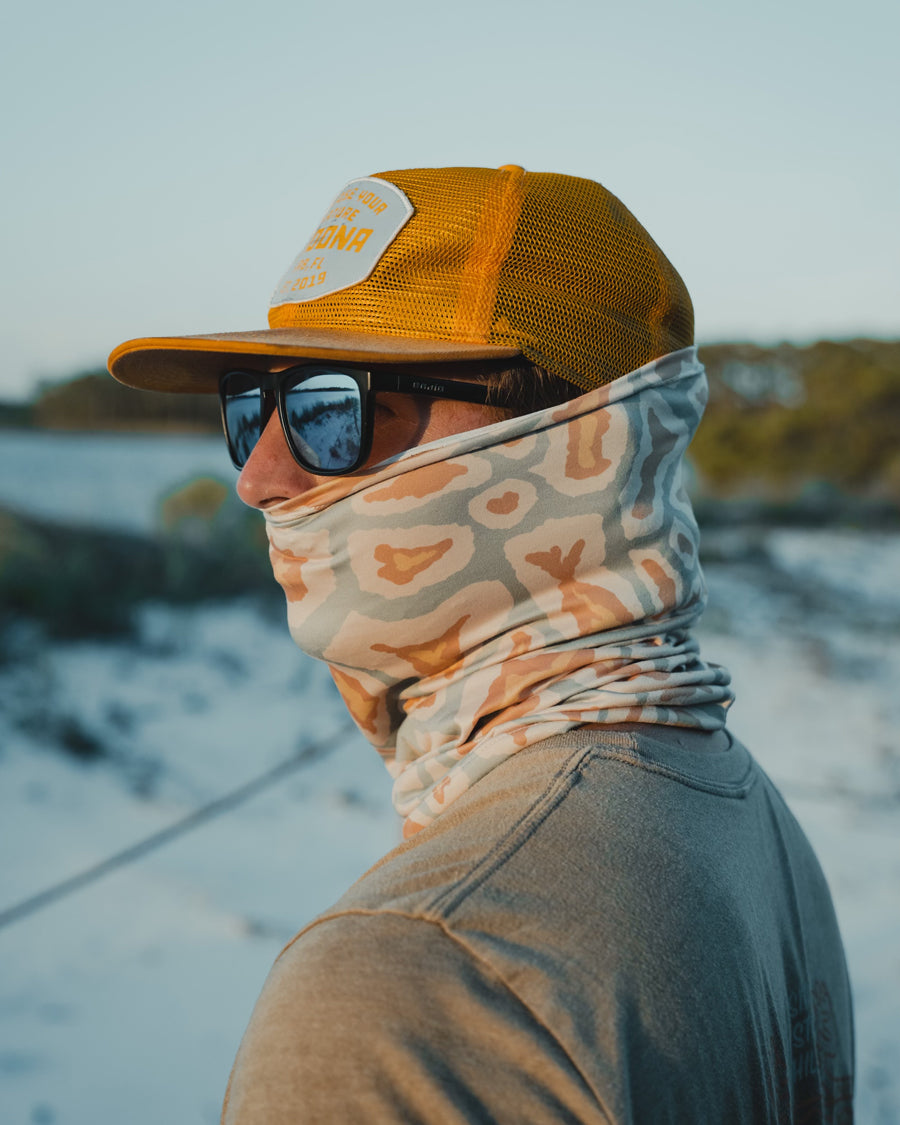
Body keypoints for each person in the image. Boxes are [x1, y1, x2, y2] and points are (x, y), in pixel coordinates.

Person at [109, 165, 854, 1122]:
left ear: (568, 436)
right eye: (250, 407)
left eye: (331, 410)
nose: (257, 477)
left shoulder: (402, 984)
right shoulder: (742, 809)